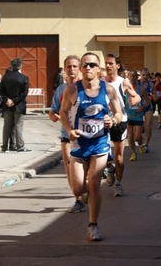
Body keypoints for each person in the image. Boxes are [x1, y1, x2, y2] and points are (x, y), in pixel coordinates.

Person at [59, 52, 123, 241]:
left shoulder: (108, 89)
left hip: (99, 143)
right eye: (85, 65)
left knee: (94, 185)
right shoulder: (71, 90)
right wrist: (69, 129)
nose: (88, 68)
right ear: (80, 68)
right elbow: (63, 112)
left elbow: (118, 112)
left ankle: (93, 226)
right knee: (78, 189)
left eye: (92, 65)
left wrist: (112, 120)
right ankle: (109, 167)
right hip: (79, 143)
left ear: (98, 69)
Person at [48, 55, 85, 213]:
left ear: (80, 69)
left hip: (85, 135)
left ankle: (87, 189)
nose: (72, 69)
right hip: (66, 135)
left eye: (75, 66)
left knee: (86, 170)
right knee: (70, 168)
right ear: (64, 69)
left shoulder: (85, 88)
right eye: (69, 66)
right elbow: (53, 110)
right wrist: (54, 116)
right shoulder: (61, 90)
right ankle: (77, 199)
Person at [103, 53, 140, 197]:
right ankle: (110, 168)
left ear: (117, 66)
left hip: (120, 121)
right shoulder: (100, 81)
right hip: (103, 121)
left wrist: (134, 100)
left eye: (111, 63)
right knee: (102, 155)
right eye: (106, 63)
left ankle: (118, 183)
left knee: (118, 157)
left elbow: (135, 95)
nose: (108, 66)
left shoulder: (122, 82)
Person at [0, 57, 31, 153]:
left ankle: (5, 146)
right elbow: (24, 93)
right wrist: (14, 101)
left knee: (7, 126)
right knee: (18, 125)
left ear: (11, 65)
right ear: (20, 66)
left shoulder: (5, 77)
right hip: (19, 105)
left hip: (7, 105)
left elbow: (1, 92)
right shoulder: (24, 78)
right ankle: (20, 146)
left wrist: (7, 100)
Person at [125, 70, 150, 161]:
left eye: (134, 76)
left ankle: (140, 144)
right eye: (130, 76)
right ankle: (133, 153)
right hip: (129, 115)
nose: (132, 78)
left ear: (137, 77)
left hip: (138, 115)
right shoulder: (125, 89)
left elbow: (148, 101)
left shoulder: (141, 89)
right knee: (130, 136)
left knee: (138, 136)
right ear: (128, 77)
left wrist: (142, 107)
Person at [138, 68, 155, 153]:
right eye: (143, 75)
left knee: (149, 125)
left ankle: (146, 144)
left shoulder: (151, 84)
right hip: (138, 107)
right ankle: (140, 142)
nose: (145, 76)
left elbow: (155, 94)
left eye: (147, 75)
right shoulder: (135, 83)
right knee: (138, 129)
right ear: (140, 75)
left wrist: (154, 96)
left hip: (148, 106)